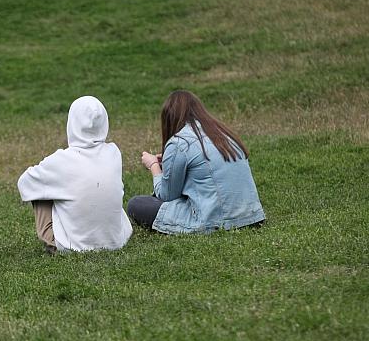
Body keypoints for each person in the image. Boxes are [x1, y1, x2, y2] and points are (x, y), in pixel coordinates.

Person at [128, 90, 265, 234]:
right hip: (252, 217)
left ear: (170, 117)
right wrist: (169, 160)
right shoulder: (222, 133)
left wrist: (153, 165)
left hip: (216, 221)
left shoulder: (179, 142)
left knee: (136, 204)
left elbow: (166, 195)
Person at [17, 96, 132, 253]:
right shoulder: (113, 152)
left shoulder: (61, 160)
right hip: (116, 241)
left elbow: (25, 182)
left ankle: (54, 241)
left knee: (41, 188)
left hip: (74, 246)